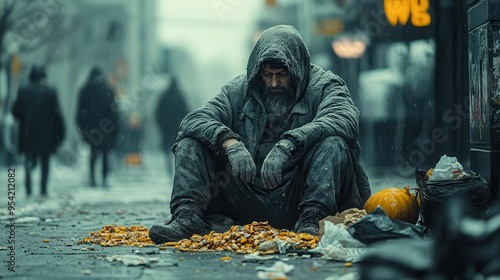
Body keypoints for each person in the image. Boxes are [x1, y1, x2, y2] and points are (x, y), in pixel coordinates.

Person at [149, 25, 371, 243]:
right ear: (257, 72)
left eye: (282, 75)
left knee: (334, 143)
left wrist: (290, 144)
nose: (274, 83)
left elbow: (344, 119)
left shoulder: (325, 86)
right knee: (191, 141)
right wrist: (230, 142)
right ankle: (188, 217)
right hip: (245, 195)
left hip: (299, 194)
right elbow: (193, 120)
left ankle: (313, 219)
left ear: (297, 69)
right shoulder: (238, 90)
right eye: (268, 75)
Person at [12, 65, 65, 197]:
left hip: (28, 132)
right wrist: (60, 133)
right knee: (45, 161)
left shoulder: (23, 90)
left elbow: (16, 112)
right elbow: (57, 115)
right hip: (46, 134)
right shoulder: (51, 91)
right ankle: (43, 188)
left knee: (29, 158)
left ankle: (28, 186)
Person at [76, 67, 119, 186]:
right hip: (106, 128)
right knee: (105, 154)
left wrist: (82, 129)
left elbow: (79, 113)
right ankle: (104, 178)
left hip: (91, 129)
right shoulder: (109, 91)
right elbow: (114, 113)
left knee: (93, 154)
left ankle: (92, 178)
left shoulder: (84, 90)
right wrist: (114, 129)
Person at [155, 77, 189, 178]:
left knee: (167, 146)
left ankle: (168, 166)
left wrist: (160, 123)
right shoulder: (180, 96)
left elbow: (158, 111)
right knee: (177, 147)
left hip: (166, 126)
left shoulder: (164, 96)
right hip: (177, 126)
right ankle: (176, 166)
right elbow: (186, 111)